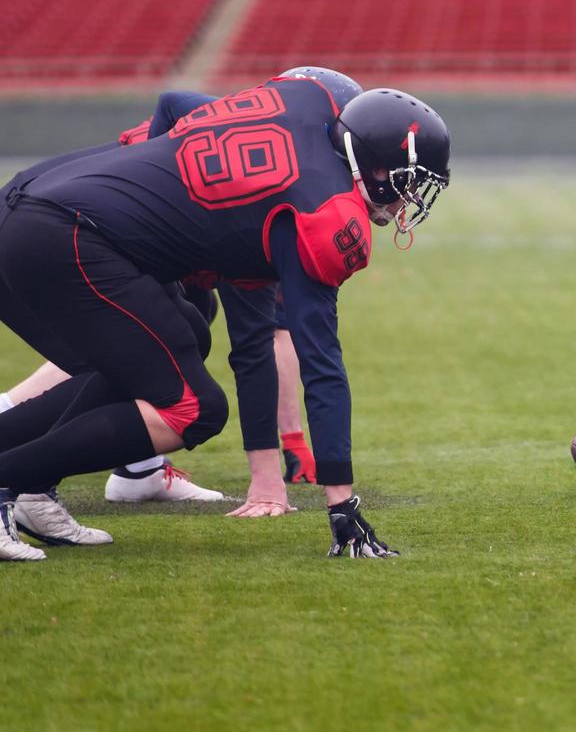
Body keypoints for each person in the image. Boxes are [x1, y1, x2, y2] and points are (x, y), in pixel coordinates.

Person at [0, 78, 448, 562]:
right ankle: (13, 479)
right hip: (67, 238)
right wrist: (342, 503)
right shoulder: (321, 207)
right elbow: (321, 364)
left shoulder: (302, 109)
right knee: (194, 407)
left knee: (183, 333)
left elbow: (174, 105)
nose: (409, 197)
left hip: (37, 202)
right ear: (377, 169)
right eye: (408, 179)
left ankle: (34, 486)